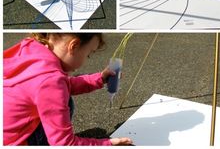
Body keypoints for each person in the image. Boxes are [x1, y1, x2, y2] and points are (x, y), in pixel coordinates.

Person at [3, 33, 133, 146]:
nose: (86, 60)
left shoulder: (32, 46)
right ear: (74, 46)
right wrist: (107, 143)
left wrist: (100, 78)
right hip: (16, 142)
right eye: (88, 55)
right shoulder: (50, 82)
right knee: (67, 102)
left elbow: (61, 85)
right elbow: (65, 144)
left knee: (62, 95)